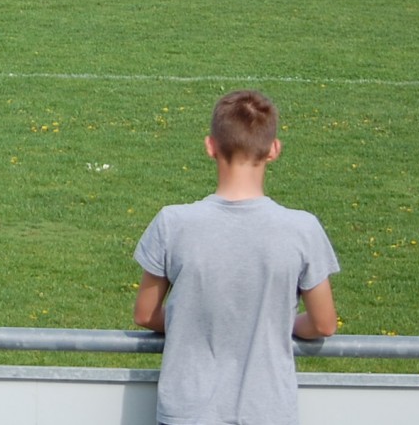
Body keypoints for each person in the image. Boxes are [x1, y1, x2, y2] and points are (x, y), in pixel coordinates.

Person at [133, 89, 339, 425]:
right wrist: (270, 322)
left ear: (210, 146)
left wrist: (197, 321)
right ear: (274, 150)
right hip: (267, 411)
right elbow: (323, 323)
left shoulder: (173, 223)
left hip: (188, 412)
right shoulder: (302, 229)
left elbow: (145, 314)